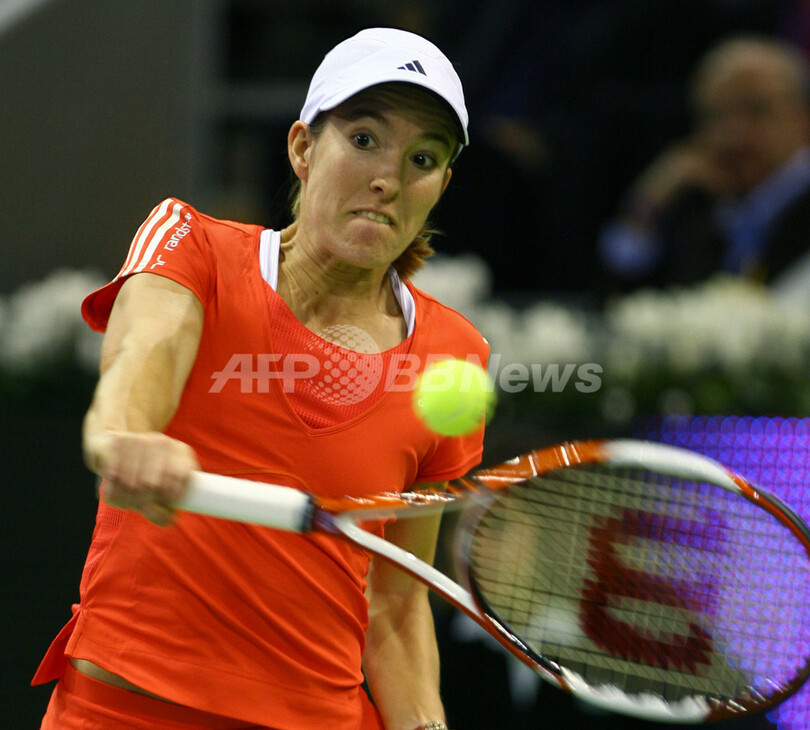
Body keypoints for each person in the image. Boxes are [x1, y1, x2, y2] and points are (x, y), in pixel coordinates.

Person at [33, 27, 489, 730]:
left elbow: (396, 605)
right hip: (124, 711)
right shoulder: (192, 246)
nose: (389, 179)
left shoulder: (454, 355)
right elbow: (142, 356)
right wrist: (128, 434)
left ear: (441, 187)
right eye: (363, 139)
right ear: (303, 148)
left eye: (422, 158)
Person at [598, 35, 810, 291]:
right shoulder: (697, 206)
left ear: (803, 117)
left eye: (756, 111)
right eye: (715, 115)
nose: (734, 135)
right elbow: (615, 300)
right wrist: (645, 204)